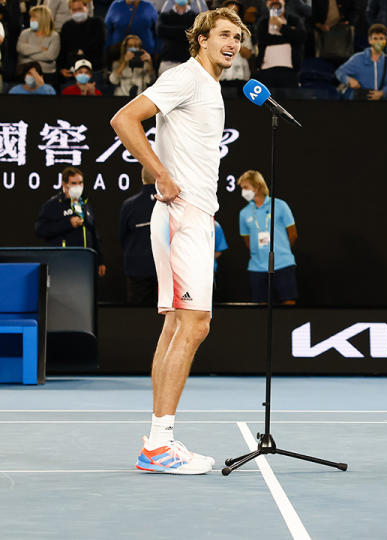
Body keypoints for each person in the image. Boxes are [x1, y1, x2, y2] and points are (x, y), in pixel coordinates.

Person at [110, 7, 249, 474]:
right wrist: (162, 174)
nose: (233, 43)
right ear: (203, 38)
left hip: (194, 217)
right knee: (194, 326)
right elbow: (125, 119)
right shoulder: (187, 77)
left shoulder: (208, 85)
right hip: (182, 216)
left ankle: (158, 438)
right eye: (225, 35)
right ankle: (158, 446)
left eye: (239, 37)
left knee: (176, 327)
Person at [238, 170, 299, 305]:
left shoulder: (280, 205)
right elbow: (246, 239)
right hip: (257, 267)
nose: (243, 191)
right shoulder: (244, 213)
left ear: (257, 186)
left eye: (245, 187)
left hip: (283, 264)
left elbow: (293, 233)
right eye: (241, 188)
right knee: (259, 307)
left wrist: (282, 251)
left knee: (288, 302)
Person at [35, 166, 107, 277]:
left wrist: (100, 261)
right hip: (63, 263)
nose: (78, 186)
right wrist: (68, 223)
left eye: (80, 182)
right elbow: (40, 230)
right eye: (74, 183)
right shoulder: (53, 205)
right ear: (64, 184)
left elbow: (94, 234)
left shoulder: (85, 204)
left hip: (85, 263)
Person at [119, 167, 158, 305]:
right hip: (164, 269)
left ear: (142, 179)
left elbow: (123, 237)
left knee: (136, 315)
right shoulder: (169, 203)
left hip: (136, 268)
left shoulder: (129, 205)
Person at [253, 0, 307, 88]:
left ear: (284, 2)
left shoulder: (294, 21)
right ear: (267, 4)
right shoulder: (263, 23)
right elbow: (263, 40)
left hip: (289, 70)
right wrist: (289, 35)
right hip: (266, 70)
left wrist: (281, 27)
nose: (275, 1)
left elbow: (301, 38)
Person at [335, 23, 387, 100]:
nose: (378, 42)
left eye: (381, 38)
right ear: (370, 40)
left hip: (382, 103)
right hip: (360, 102)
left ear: (386, 40)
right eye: (375, 38)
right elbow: (340, 72)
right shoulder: (358, 58)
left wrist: (382, 93)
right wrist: (349, 80)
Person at [56, 0, 105, 85]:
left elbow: (97, 46)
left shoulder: (97, 23)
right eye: (74, 10)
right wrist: (61, 68)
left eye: (80, 9)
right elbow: (63, 50)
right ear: (70, 11)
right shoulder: (66, 26)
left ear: (86, 8)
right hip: (72, 72)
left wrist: (78, 53)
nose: (77, 12)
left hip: (94, 70)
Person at [17, 5, 60, 81]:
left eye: (34, 17)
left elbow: (50, 56)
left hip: (47, 73)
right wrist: (40, 49)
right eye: (31, 17)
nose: (31, 20)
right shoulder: (25, 33)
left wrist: (28, 55)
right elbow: (20, 49)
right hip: (25, 72)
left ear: (43, 19)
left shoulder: (54, 36)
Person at [218, 0, 253, 86]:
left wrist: (236, 40)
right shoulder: (216, 31)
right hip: (221, 75)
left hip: (240, 75)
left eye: (235, 12)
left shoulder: (244, 32)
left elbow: (248, 54)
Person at [156, 0, 195, 75]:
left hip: (189, 62)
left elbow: (195, 33)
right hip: (168, 61)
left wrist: (170, 31)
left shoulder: (195, 16)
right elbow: (160, 31)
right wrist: (186, 31)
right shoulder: (164, 16)